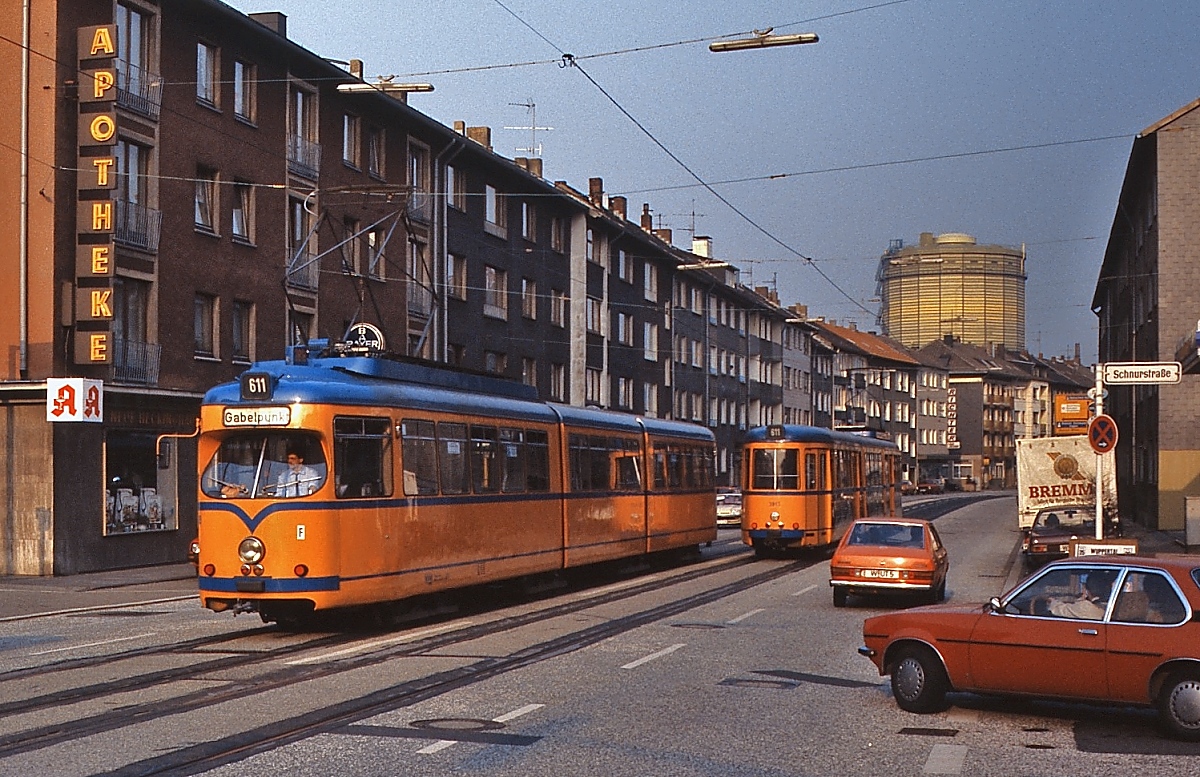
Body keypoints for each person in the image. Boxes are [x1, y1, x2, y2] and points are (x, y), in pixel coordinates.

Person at [1049, 572, 1115, 620]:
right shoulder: (1112, 606)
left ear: (1087, 590)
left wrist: (1052, 601)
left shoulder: (1084, 607)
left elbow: (1057, 610)